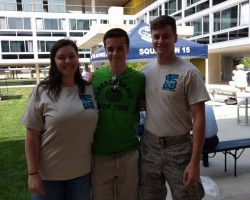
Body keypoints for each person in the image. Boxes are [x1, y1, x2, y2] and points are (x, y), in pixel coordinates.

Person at [139, 15, 210, 200]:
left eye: (165, 36)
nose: (160, 41)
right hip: (149, 148)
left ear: (175, 37)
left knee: (188, 197)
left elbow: (199, 118)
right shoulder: (144, 72)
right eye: (156, 37)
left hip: (180, 150)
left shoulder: (189, 72)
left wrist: (195, 162)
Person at [21, 39, 98, 200]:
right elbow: (32, 136)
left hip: (81, 175)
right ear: (54, 62)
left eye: (72, 56)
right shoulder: (41, 92)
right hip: (48, 177)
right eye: (61, 57)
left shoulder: (89, 89)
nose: (68, 61)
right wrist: (33, 173)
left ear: (78, 58)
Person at [91, 28, 145, 200]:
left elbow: (143, 106)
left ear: (128, 49)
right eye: (110, 49)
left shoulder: (139, 79)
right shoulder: (93, 79)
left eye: (120, 48)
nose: (115, 53)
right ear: (105, 50)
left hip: (128, 152)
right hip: (99, 153)